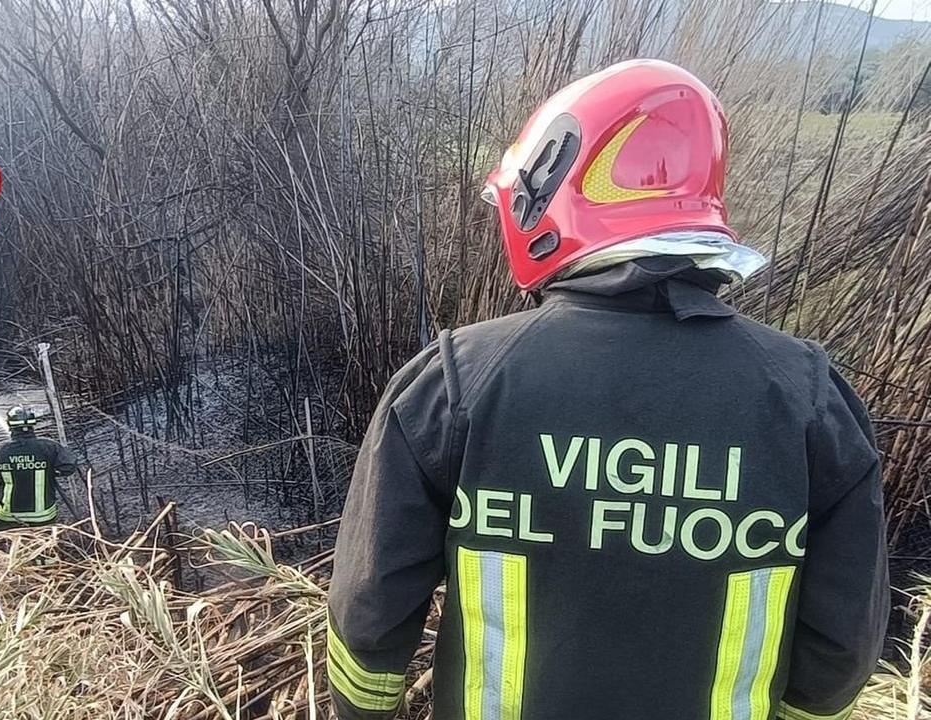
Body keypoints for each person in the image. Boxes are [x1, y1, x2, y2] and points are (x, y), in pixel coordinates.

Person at [327, 59, 888, 720]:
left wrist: (363, 713)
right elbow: (842, 651)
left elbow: (369, 615)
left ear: (551, 189)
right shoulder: (812, 403)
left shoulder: (455, 384)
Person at [0, 406, 79, 529]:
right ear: (33, 424)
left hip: (8, 516)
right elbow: (69, 466)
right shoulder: (49, 446)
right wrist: (50, 472)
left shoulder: (0, 449)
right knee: (43, 546)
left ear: (10, 425)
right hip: (42, 517)